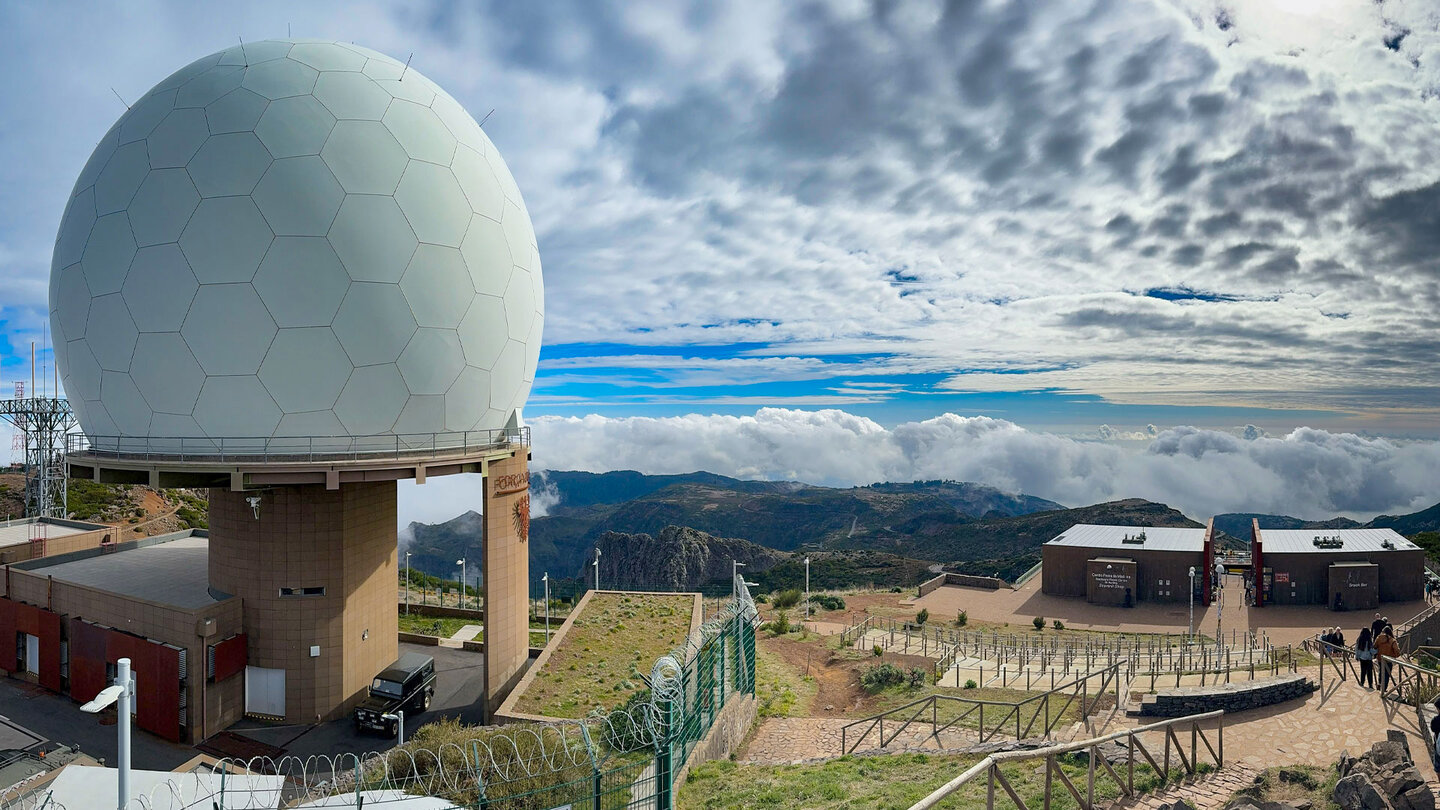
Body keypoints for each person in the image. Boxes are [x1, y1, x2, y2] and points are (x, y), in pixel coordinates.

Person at [1375, 624, 1401, 691]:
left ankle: (1379, 685)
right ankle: (1384, 689)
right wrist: (1396, 655)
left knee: (1381, 672)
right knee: (1387, 674)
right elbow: (1397, 651)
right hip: (1388, 659)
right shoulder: (1392, 640)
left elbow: (1374, 646)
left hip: (1380, 658)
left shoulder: (1379, 638)